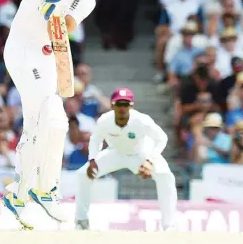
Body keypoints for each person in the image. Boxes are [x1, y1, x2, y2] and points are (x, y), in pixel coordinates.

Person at [1, 0, 98, 230]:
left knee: (43, 125)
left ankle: (18, 195)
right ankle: (45, 190)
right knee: (53, 116)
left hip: (44, 57)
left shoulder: (87, 0)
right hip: (21, 49)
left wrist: (55, 6)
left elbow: (62, 28)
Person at [74, 87, 177, 231]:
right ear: (112, 105)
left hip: (141, 153)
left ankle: (169, 225)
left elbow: (161, 138)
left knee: (166, 177)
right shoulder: (105, 120)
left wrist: (150, 160)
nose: (122, 108)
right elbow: (96, 139)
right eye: (119, 104)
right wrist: (92, 161)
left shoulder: (141, 120)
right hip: (116, 153)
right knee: (82, 174)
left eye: (126, 104)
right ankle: (81, 221)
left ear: (131, 106)